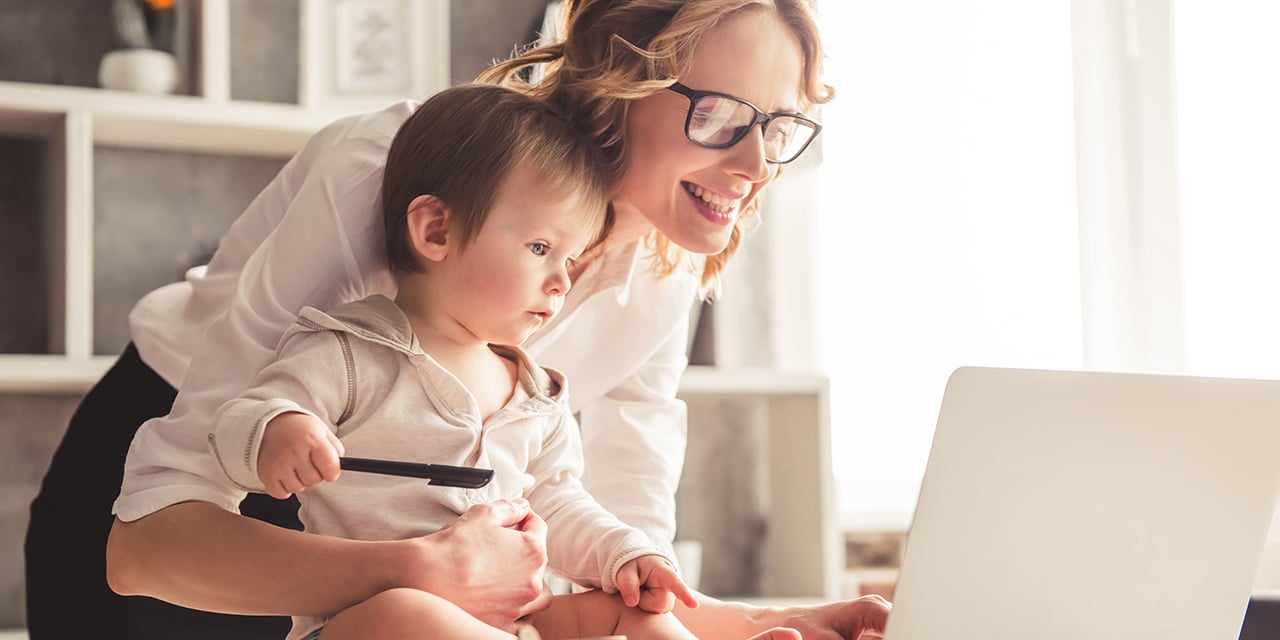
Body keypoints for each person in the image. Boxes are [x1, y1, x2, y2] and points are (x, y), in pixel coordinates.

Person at [29, 0, 891, 638]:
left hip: (422, 562)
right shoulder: (394, 172)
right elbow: (146, 545)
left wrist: (758, 623)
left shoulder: (667, 260)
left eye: (778, 128)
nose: (754, 166)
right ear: (616, 83)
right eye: (721, 116)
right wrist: (421, 570)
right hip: (209, 496)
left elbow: (617, 550)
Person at [209, 81, 769, 640]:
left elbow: (558, 501)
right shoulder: (348, 354)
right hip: (368, 624)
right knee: (408, 611)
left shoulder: (535, 394)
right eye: (540, 248)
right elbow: (234, 426)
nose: (561, 282)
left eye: (570, 258)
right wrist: (278, 428)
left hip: (510, 620)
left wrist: (625, 555)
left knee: (635, 613)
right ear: (436, 229)